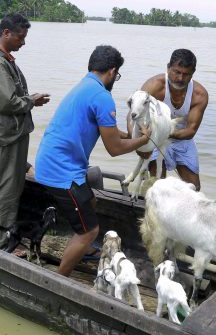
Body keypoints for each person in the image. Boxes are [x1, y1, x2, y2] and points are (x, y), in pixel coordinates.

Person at [35, 45, 153, 277]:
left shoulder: (84, 86)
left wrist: (131, 135)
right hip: (62, 172)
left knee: (90, 202)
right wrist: (144, 140)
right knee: (90, 230)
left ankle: (85, 249)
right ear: (111, 71)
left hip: (51, 163)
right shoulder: (102, 97)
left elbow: (109, 131)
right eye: (116, 75)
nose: (115, 79)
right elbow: (114, 149)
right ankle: (60, 280)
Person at [0, 14, 50, 247]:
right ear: (6, 33)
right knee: (3, 189)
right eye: (21, 36)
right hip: (5, 136)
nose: (23, 42)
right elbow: (6, 102)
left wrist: (28, 99)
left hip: (11, 134)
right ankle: (1, 242)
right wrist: (31, 101)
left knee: (11, 186)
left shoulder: (3, 60)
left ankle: (7, 234)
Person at [130, 49, 208, 190]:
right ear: (168, 67)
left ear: (193, 73)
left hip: (181, 139)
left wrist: (165, 132)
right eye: (176, 72)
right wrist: (137, 143)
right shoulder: (153, 87)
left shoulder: (199, 95)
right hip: (154, 137)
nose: (180, 78)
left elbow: (190, 131)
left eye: (186, 74)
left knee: (194, 188)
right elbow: (133, 117)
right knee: (158, 184)